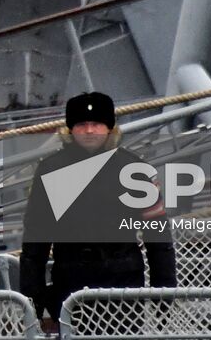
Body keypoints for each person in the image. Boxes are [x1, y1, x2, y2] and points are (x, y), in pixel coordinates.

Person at [19, 92, 175, 328]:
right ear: (70, 129)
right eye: (82, 124)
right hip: (70, 284)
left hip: (123, 289)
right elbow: (35, 240)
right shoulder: (50, 170)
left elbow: (158, 236)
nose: (89, 130)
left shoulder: (136, 169)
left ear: (110, 128)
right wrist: (34, 299)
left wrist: (163, 293)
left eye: (96, 124)